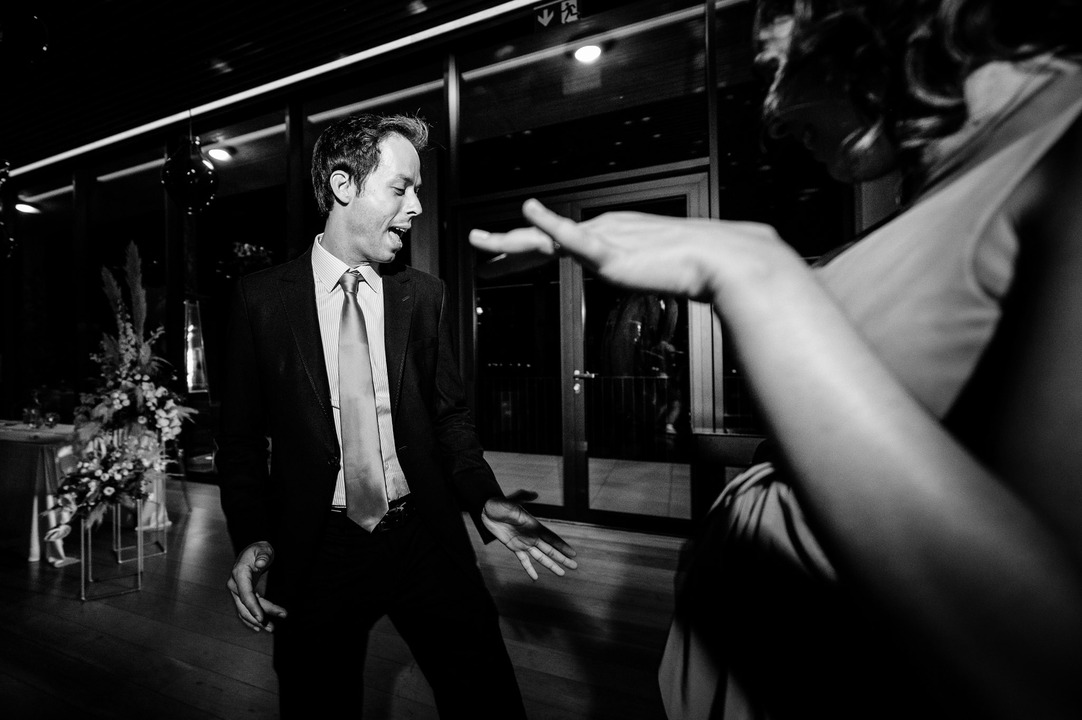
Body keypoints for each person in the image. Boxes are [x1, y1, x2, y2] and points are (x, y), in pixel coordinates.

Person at [469, 0, 1082, 717]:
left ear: (863, 22)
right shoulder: (959, 178)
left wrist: (757, 273)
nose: (772, 109)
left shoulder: (1064, 151)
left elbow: (1052, 660)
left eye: (774, 63)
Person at [216, 112, 578, 719]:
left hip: (425, 535)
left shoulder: (423, 295)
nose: (414, 207)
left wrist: (482, 498)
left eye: (417, 191)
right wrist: (252, 533)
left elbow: (451, 419)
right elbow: (241, 442)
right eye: (399, 188)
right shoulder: (260, 301)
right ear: (343, 186)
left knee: (487, 698)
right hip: (316, 549)